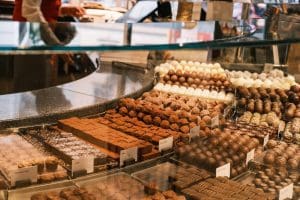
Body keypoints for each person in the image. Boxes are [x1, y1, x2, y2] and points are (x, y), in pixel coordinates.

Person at [13, 0, 85, 23]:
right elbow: (30, 11)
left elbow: (45, 6)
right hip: (29, 32)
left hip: (43, 32)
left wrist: (64, 10)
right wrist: (53, 42)